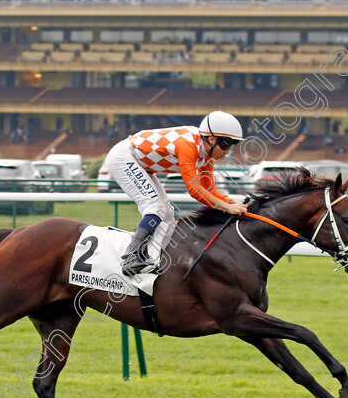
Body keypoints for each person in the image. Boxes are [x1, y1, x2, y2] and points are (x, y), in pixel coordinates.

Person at [104, 110, 248, 276]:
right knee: (155, 207)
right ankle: (132, 257)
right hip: (123, 157)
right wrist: (226, 207)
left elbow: (208, 189)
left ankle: (155, 258)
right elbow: (194, 190)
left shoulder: (207, 156)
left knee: (167, 214)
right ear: (212, 139)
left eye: (232, 146)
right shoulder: (187, 145)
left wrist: (230, 202)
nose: (228, 151)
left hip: (143, 166)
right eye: (226, 145)